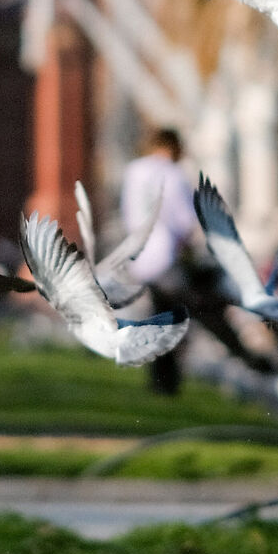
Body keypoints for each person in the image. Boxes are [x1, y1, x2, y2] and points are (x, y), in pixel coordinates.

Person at [119, 128, 201, 394]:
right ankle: (168, 382)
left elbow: (128, 213)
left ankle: (157, 378)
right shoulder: (172, 173)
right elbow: (185, 219)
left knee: (156, 317)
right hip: (167, 255)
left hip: (142, 254)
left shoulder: (134, 172)